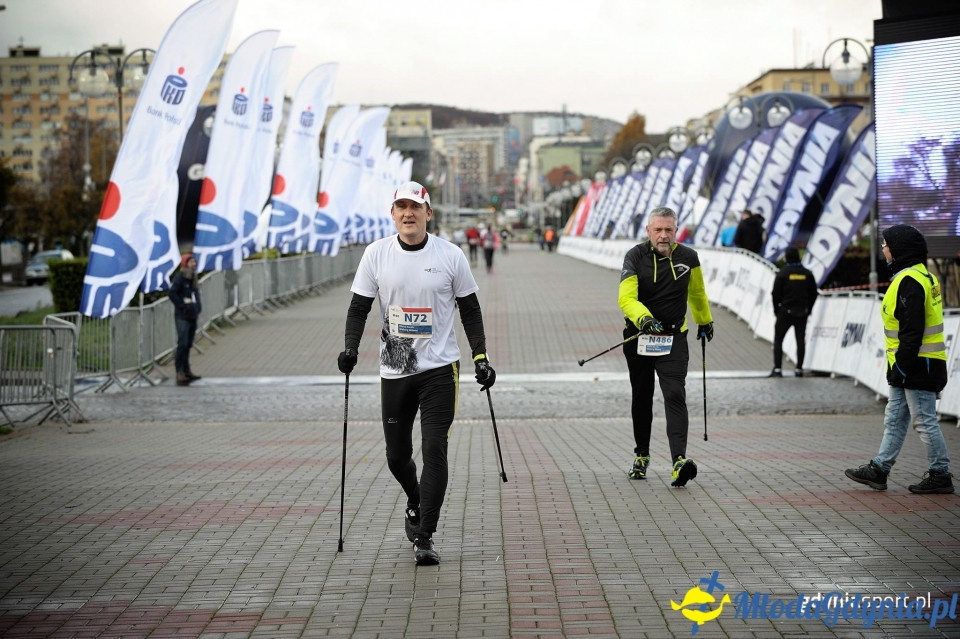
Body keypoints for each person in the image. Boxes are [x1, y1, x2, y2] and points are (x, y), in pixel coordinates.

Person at [337, 181, 496, 566]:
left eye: (416, 206)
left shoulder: (450, 255)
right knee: (396, 456)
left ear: (428, 213)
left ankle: (425, 535)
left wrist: (480, 357)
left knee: (434, 448)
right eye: (401, 207)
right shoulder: (377, 254)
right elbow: (359, 307)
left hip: (440, 365)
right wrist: (350, 348)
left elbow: (470, 310)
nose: (408, 213)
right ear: (392, 214)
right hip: (398, 360)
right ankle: (415, 498)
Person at [845, 224, 953, 494]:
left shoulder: (909, 281)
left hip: (916, 365)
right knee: (894, 418)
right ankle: (879, 469)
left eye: (885, 244)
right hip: (911, 364)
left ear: (899, 248)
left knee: (924, 421)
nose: (883, 249)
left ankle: (941, 474)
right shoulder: (920, 276)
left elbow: (912, 330)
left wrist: (902, 367)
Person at [619, 207, 714, 487]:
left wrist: (705, 320)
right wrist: (644, 318)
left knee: (674, 393)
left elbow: (696, 293)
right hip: (640, 337)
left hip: (674, 338)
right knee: (642, 396)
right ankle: (642, 455)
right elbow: (626, 298)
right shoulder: (635, 256)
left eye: (668, 230)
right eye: (658, 230)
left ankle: (679, 461)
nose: (663, 235)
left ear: (676, 231)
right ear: (648, 231)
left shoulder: (689, 257)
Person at [770, 247, 819, 377]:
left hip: (785, 311)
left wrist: (776, 310)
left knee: (778, 340)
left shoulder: (782, 273)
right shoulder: (807, 274)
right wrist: (809, 308)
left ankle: (778, 369)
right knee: (800, 340)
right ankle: (799, 369)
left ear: (786, 257)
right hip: (802, 312)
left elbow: (775, 294)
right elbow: (814, 293)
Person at [168, 253, 202, 386]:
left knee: (188, 344)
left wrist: (198, 306)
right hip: (182, 316)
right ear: (185, 264)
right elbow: (172, 293)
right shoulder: (180, 278)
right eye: (191, 262)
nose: (194, 264)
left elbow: (196, 293)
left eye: (194, 262)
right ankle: (179, 371)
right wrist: (182, 306)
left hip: (192, 314)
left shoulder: (193, 278)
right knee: (182, 344)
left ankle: (187, 370)